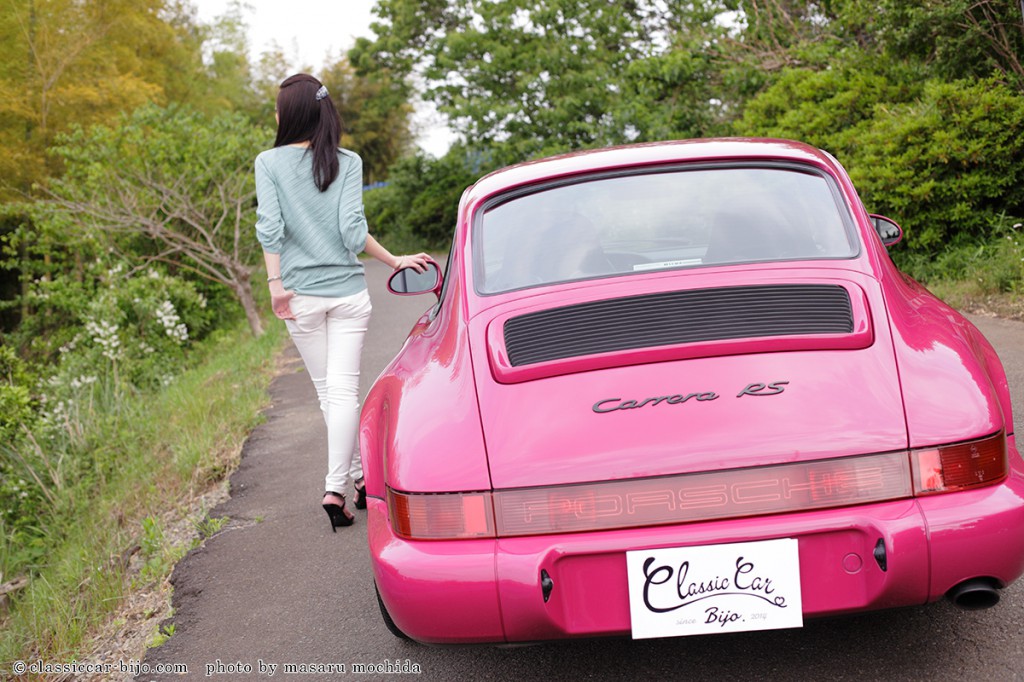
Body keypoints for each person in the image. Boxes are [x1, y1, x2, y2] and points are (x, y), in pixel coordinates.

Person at [254, 73, 428, 532]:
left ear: (291, 114)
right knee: (342, 392)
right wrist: (394, 260)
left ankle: (339, 485)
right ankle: (354, 480)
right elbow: (353, 233)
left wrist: (275, 285)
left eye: (278, 108)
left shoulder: (268, 163)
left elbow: (270, 228)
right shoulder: (347, 161)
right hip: (348, 294)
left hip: (299, 297)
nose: (275, 115)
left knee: (329, 393)